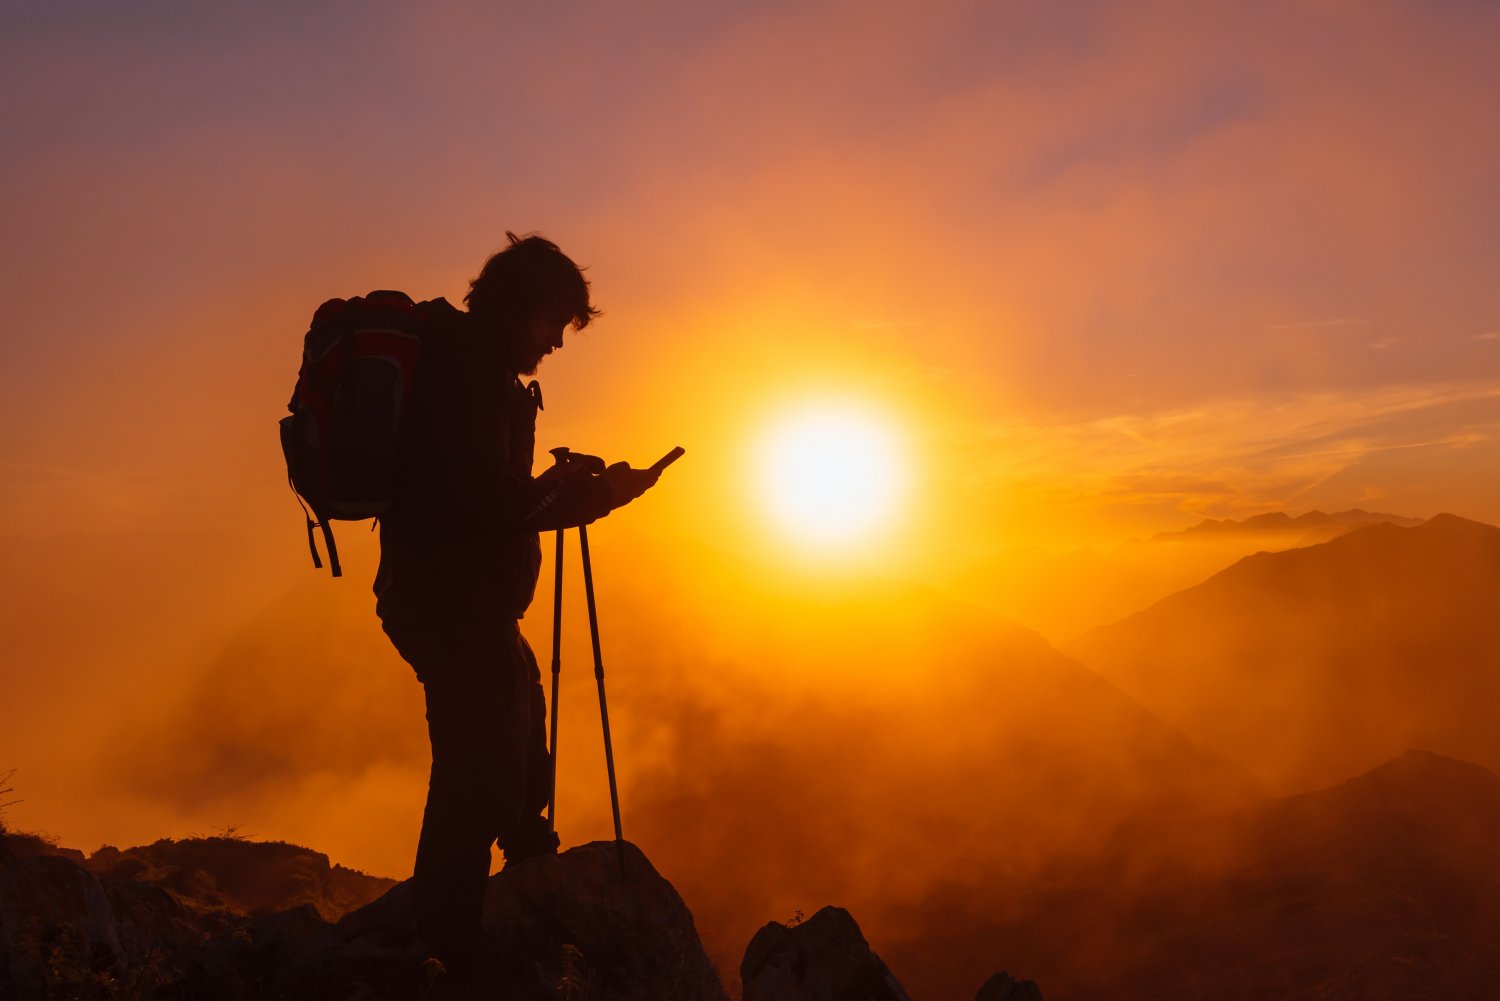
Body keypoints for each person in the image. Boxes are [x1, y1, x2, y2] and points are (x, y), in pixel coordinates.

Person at [372, 232, 659, 981]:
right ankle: (448, 948)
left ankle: (525, 860)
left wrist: (571, 488)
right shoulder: (469, 372)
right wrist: (594, 494)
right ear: (518, 307)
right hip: (449, 601)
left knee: (519, 704)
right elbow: (489, 504)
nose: (557, 342)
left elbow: (487, 497)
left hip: (450, 598)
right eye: (553, 322)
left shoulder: (474, 366)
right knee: (474, 767)